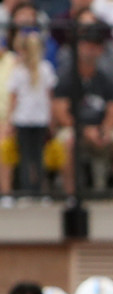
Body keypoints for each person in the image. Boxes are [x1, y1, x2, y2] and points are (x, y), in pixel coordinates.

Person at [52, 25, 113, 197]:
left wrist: (104, 131)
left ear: (101, 49)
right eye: (87, 45)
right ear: (79, 47)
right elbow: (61, 115)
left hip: (101, 129)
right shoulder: (66, 78)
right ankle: (71, 195)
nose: (91, 50)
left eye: (96, 46)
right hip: (74, 129)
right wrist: (84, 131)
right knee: (68, 141)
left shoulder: (106, 79)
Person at [3, 29, 54, 196]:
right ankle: (37, 191)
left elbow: (14, 99)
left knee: (27, 156)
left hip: (26, 119)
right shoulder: (44, 69)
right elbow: (49, 97)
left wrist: (10, 120)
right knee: (36, 156)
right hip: (36, 119)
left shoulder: (27, 71)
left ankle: (29, 191)